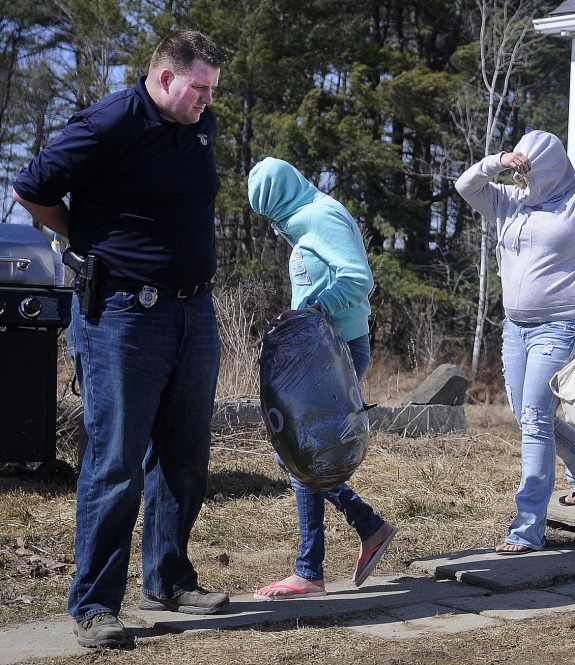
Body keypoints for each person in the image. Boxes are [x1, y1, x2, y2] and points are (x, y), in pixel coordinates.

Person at [11, 31, 230, 647]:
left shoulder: (199, 124)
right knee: (116, 463)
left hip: (194, 310)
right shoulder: (108, 121)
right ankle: (94, 605)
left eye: (213, 90)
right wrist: (81, 237)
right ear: (164, 78)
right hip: (123, 314)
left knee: (184, 457)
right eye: (199, 88)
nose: (207, 101)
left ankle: (167, 578)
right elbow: (31, 186)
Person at [457, 130, 575, 555]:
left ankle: (527, 528)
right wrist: (499, 160)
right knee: (529, 414)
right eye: (519, 174)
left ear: (550, 168)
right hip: (515, 327)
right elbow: (464, 184)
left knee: (533, 417)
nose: (522, 183)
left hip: (563, 327)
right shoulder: (507, 201)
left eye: (529, 174)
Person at [247, 157, 397, 599]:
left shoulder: (321, 215)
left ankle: (319, 563)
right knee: (297, 453)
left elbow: (357, 279)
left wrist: (312, 312)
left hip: (339, 349)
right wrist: (297, 317)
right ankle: (355, 536)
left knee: (299, 455)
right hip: (321, 347)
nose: (275, 226)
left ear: (281, 197)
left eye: (274, 214)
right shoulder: (307, 217)